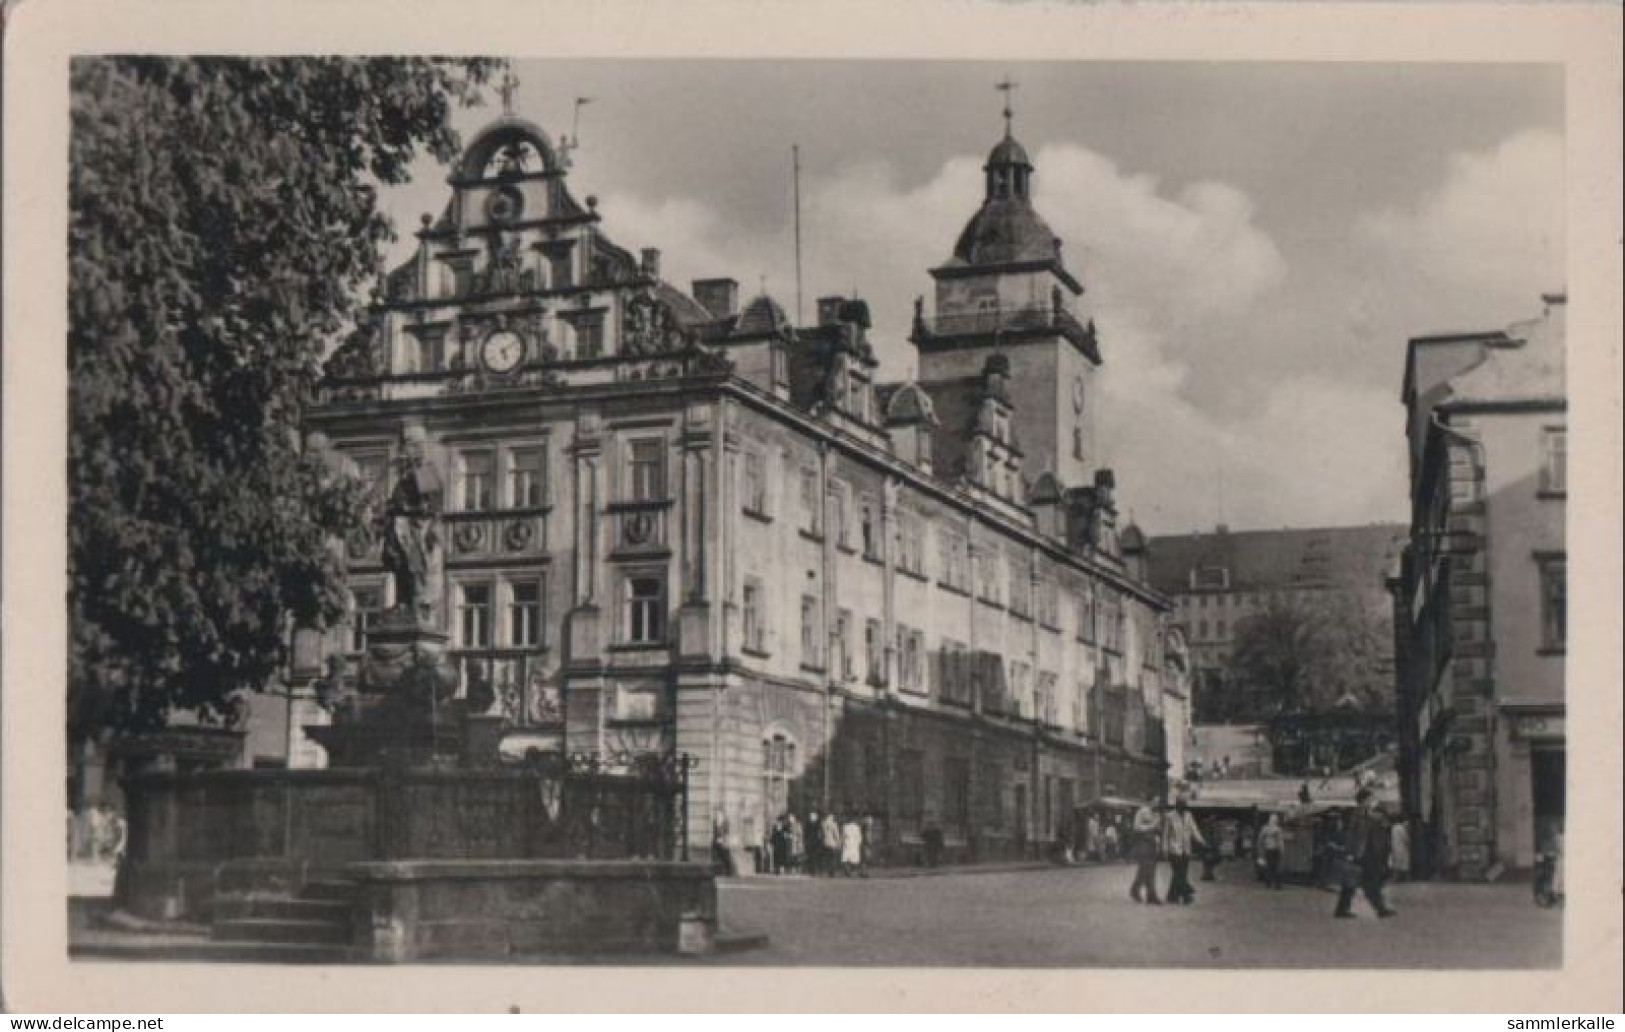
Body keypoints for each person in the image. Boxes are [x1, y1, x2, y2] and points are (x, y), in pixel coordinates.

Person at [1335, 789, 1396, 919]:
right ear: (1364, 800)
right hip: (1362, 853)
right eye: (1370, 798)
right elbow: (1352, 835)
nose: (1371, 801)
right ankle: (1380, 909)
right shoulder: (1357, 815)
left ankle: (1343, 909)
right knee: (1360, 882)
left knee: (1356, 883)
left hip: (1369, 853)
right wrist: (1350, 852)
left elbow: (1384, 825)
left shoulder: (1371, 814)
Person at [1163, 797, 1206, 905]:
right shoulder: (1169, 816)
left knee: (1181, 873)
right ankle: (1186, 896)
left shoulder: (1188, 815)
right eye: (1180, 805)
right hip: (1174, 849)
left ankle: (1172, 896)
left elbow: (1194, 829)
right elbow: (1166, 834)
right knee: (1179, 873)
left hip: (1186, 849)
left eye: (1184, 805)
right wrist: (1165, 849)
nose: (1182, 807)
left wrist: (1201, 841)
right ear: (1176, 805)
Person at [1128, 796, 1163, 904]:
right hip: (1143, 842)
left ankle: (1136, 890)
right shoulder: (1142, 811)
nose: (1157, 804)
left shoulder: (1156, 814)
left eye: (1158, 802)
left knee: (1147, 870)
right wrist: (1153, 825)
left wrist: (1157, 827)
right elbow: (1136, 827)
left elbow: (1158, 829)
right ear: (1150, 801)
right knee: (1147, 868)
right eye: (1155, 801)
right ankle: (1150, 895)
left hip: (1152, 842)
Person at [1258, 813, 1285, 889]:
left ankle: (1275, 884)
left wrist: (1282, 850)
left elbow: (1280, 841)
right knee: (1270, 867)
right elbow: (1260, 839)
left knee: (1275, 867)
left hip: (1275, 849)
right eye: (1273, 819)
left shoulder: (1277, 829)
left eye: (1275, 820)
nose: (1274, 821)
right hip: (1269, 849)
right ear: (1270, 820)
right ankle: (1270, 883)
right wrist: (1261, 849)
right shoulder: (1266, 829)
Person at [840, 813, 865, 877]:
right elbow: (859, 837)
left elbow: (843, 836)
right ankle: (854, 871)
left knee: (845, 859)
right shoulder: (857, 827)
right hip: (854, 844)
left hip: (847, 844)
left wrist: (842, 843)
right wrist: (859, 843)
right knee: (855, 859)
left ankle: (849, 872)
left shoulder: (845, 827)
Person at [821, 811, 843, 877]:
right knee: (833, 858)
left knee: (827, 858)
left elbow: (822, 833)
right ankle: (832, 872)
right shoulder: (833, 824)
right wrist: (839, 842)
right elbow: (836, 834)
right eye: (832, 816)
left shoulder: (823, 823)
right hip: (832, 842)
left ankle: (827, 870)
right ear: (830, 816)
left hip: (825, 842)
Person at [1389, 816, 1411, 882]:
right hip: (1402, 848)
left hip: (1394, 847)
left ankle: (1396, 878)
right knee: (1404, 865)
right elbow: (1406, 839)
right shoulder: (1402, 828)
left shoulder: (1393, 828)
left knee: (1396, 864)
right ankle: (1405, 878)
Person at [805, 809, 824, 876]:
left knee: (811, 856)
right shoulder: (818, 824)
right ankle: (815, 870)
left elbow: (806, 834)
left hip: (811, 841)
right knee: (815, 856)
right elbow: (820, 833)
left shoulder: (808, 824)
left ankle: (812, 870)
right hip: (816, 841)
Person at [787, 811, 806, 875]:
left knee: (797, 857)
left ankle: (798, 869)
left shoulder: (798, 825)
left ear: (794, 818)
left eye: (791, 818)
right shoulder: (789, 825)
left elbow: (800, 834)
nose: (790, 819)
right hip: (791, 843)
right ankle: (793, 869)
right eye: (789, 818)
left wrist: (794, 837)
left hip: (797, 843)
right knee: (792, 856)